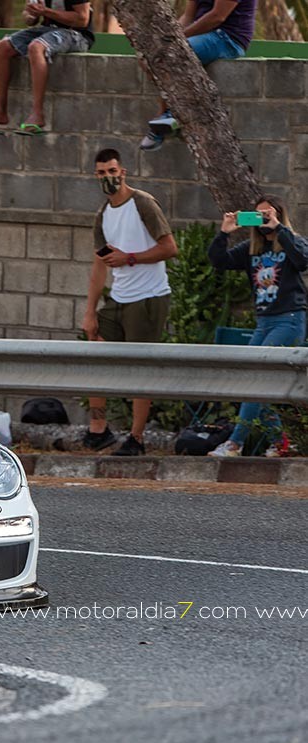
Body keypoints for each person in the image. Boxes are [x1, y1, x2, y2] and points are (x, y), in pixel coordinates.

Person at [81, 148, 178, 456]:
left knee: (139, 369)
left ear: (122, 172)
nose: (108, 177)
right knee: (94, 351)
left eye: (112, 171)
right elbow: (99, 265)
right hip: (119, 298)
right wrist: (90, 312)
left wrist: (130, 258)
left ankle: (136, 438)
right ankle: (99, 429)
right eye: (101, 173)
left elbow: (170, 248)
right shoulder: (103, 214)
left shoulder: (143, 204)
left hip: (148, 298)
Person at [206, 196, 307, 457]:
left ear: (278, 216)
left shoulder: (292, 241)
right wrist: (224, 232)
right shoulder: (251, 249)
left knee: (256, 379)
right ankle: (280, 442)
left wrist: (279, 229)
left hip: (290, 320)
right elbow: (218, 261)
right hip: (263, 322)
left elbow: (303, 261)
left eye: (267, 215)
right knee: (254, 381)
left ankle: (235, 443)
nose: (262, 221)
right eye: (258, 216)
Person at [140, 0, 256, 151]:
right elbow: (188, 16)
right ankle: (165, 118)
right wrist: (167, 36)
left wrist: (178, 38)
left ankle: (170, 115)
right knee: (149, 57)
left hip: (227, 37)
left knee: (169, 55)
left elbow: (217, 17)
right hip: (202, 35)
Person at [0, 1, 94, 136]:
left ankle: (37, 114)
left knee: (36, 47)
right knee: (2, 47)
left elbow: (82, 19)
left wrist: (45, 11)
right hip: (47, 30)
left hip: (76, 35)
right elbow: (28, 18)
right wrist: (32, 15)